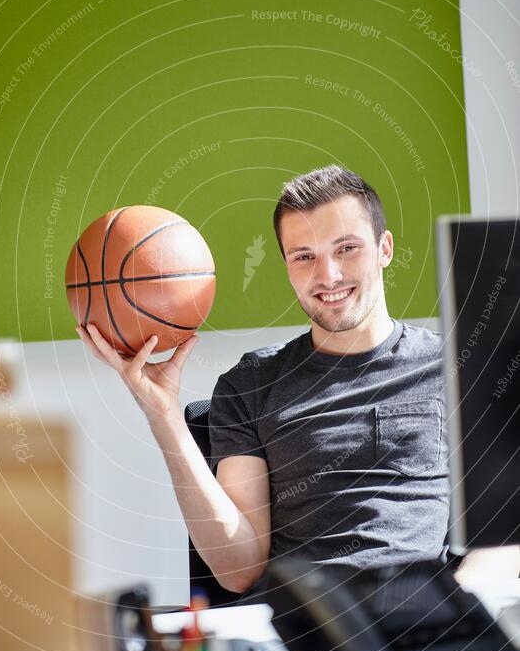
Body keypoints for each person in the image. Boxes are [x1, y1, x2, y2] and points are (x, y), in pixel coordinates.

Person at [74, 165, 510, 602]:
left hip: (425, 621)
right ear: (285, 265)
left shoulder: (460, 366)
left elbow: (507, 534)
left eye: (347, 249)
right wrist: (161, 413)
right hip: (306, 631)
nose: (329, 276)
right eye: (304, 256)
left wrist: (454, 608)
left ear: (384, 249)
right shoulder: (251, 385)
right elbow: (239, 571)